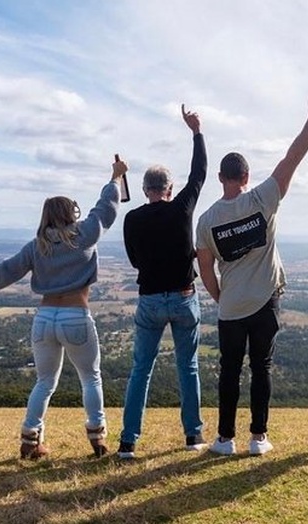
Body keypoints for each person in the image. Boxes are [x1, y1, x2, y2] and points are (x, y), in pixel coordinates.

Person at [0, 157, 126, 459]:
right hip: (75, 315)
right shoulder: (84, 235)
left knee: (44, 382)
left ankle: (30, 440)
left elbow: (3, 272)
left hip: (44, 319)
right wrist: (116, 177)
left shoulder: (36, 246)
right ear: (71, 214)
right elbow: (106, 207)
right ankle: (98, 439)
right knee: (90, 378)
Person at [196, 81, 308, 456]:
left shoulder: (206, 221)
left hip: (231, 305)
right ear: (247, 177)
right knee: (262, 368)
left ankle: (224, 440)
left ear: (221, 178)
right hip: (267, 299)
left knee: (229, 371)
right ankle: (258, 438)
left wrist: (222, 297)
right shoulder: (262, 199)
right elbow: (292, 158)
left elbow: (206, 270)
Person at [117, 105, 208, 459]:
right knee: (188, 366)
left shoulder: (133, 219)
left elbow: (135, 261)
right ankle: (193, 436)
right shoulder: (182, 207)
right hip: (185, 298)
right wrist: (196, 131)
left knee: (141, 369)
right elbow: (199, 173)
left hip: (150, 300)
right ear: (169, 189)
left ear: (145, 190)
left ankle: (128, 442)